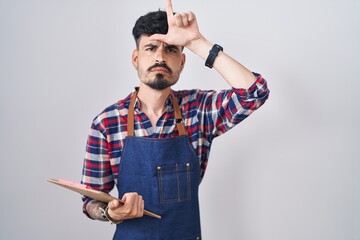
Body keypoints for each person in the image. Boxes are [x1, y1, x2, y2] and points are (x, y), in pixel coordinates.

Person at [81, 0, 269, 239]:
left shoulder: (198, 110)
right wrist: (109, 213)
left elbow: (255, 92)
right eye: (151, 48)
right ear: (135, 59)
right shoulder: (106, 123)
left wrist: (197, 43)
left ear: (182, 62)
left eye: (170, 49)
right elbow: (91, 199)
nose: (160, 57)